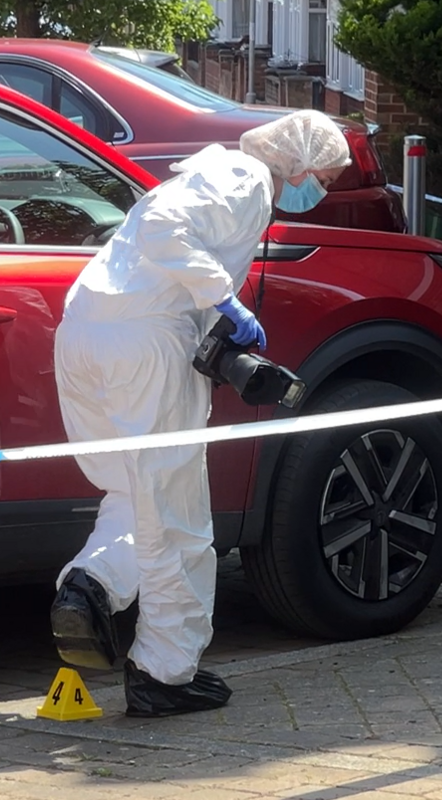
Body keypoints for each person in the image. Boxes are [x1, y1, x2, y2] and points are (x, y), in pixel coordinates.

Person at [49, 110, 351, 718]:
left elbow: (157, 232)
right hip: (146, 342)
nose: (322, 190)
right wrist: (222, 300)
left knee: (138, 489)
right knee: (178, 513)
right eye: (323, 176)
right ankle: (164, 671)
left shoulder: (214, 171)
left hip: (87, 329)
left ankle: (91, 586)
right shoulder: (245, 180)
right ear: (297, 161)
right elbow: (167, 229)